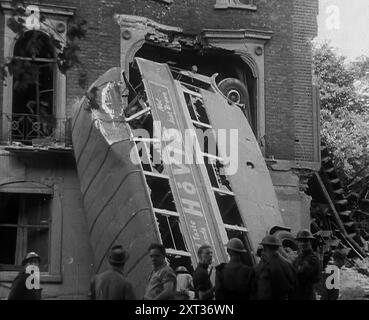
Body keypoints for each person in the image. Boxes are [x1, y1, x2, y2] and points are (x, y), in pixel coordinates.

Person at [253, 235, 296, 300]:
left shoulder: (266, 267)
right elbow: (295, 284)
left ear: (265, 248)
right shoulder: (288, 264)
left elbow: (263, 291)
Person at [293, 229, 321, 300]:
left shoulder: (313, 259)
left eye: (305, 241)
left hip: (307, 295)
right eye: (300, 241)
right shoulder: (299, 257)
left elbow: (300, 273)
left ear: (310, 242)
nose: (303, 243)